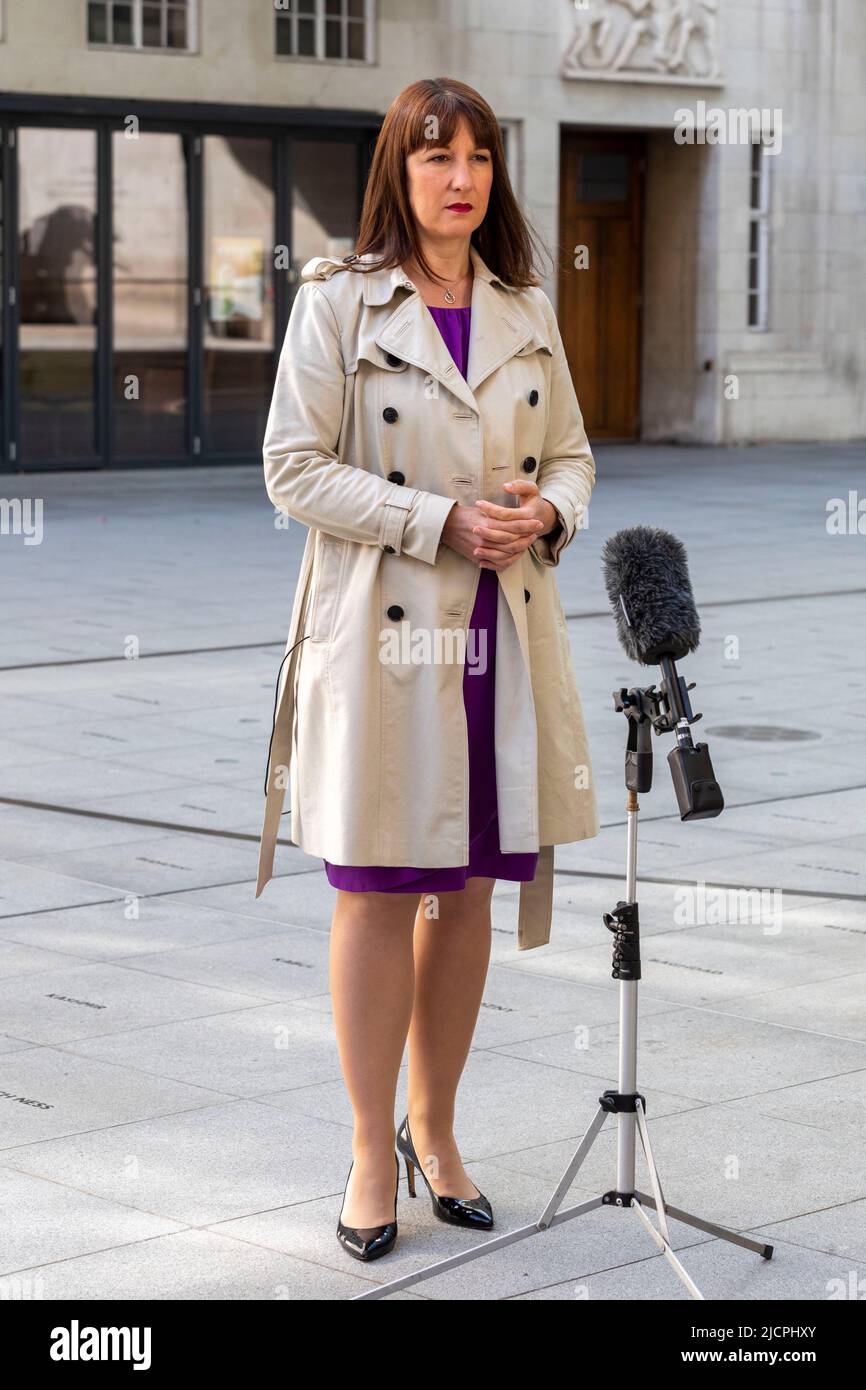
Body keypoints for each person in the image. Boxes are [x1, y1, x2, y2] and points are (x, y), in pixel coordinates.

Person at [255, 77, 599, 1262]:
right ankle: (368, 1150)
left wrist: (544, 511)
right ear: (396, 173)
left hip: (500, 634)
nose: (460, 179)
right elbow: (292, 468)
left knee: (467, 893)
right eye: (435, 157)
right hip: (389, 638)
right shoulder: (337, 302)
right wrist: (435, 520)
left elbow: (573, 455)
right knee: (378, 888)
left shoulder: (524, 306)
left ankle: (434, 1131)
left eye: (479, 158)